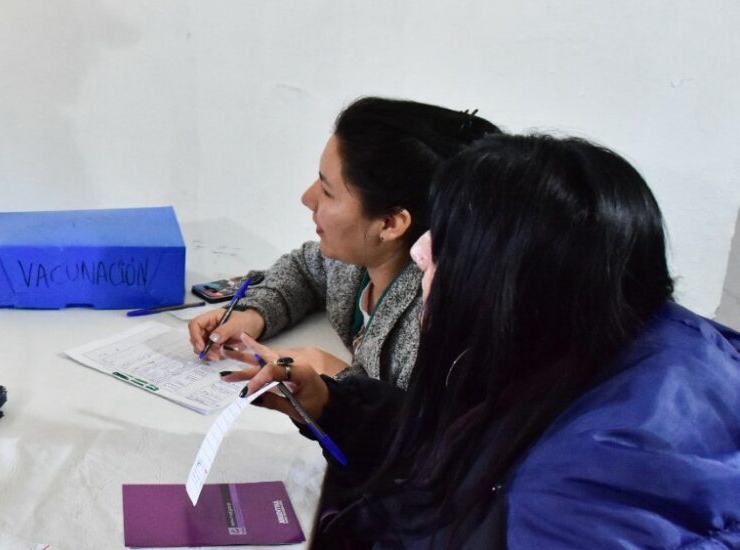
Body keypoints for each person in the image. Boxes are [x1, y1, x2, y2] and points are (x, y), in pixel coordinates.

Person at [228, 134, 740, 547]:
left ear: (507, 285)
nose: (423, 255)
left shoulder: (575, 494)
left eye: (448, 244)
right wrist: (332, 406)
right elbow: (471, 452)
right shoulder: (623, 337)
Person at [189, 97, 500, 389]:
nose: (307, 198)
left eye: (328, 191)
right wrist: (253, 316)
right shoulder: (356, 261)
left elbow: (416, 426)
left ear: (390, 224)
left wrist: (334, 374)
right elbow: (305, 270)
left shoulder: (436, 328)